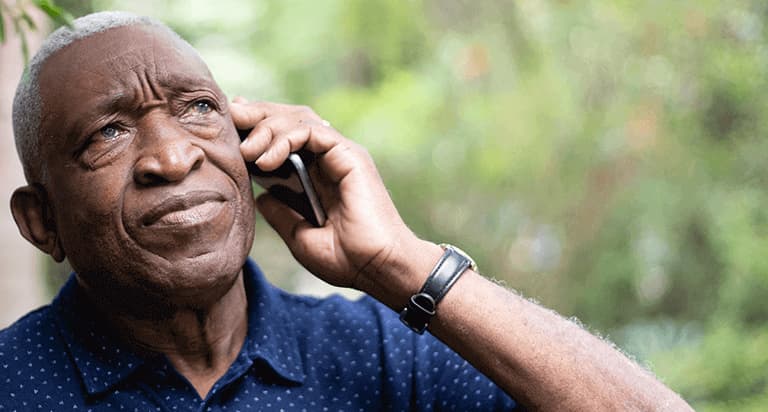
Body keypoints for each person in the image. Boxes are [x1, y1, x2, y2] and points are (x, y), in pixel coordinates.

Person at [0, 11, 692, 411]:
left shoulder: (387, 353)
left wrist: (400, 262)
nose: (173, 157)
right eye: (107, 134)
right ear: (42, 223)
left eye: (199, 109)